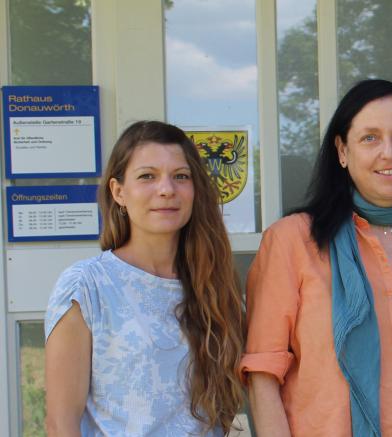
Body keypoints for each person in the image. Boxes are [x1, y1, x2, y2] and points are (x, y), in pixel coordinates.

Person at [242, 79, 392, 437]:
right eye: (370, 138)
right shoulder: (293, 240)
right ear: (341, 150)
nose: (389, 152)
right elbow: (263, 371)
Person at [44, 121, 246, 436]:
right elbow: (61, 423)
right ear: (118, 191)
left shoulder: (213, 284)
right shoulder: (86, 286)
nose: (167, 189)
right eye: (147, 176)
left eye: (181, 176)